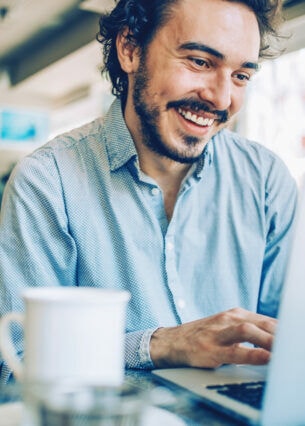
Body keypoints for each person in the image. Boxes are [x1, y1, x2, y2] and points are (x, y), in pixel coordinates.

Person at [0, 0, 297, 383]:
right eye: (200, 62)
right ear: (130, 48)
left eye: (241, 76)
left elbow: (288, 341)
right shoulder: (47, 182)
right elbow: (17, 364)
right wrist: (159, 345)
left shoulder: (266, 179)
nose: (222, 99)